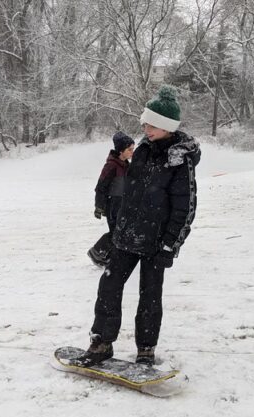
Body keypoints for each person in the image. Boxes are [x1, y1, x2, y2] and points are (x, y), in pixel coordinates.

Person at [73, 85, 201, 367]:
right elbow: (130, 194)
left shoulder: (179, 160)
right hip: (126, 237)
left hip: (156, 243)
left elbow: (185, 208)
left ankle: (146, 349)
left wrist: (170, 245)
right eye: (146, 121)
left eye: (153, 123)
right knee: (108, 285)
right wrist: (118, 227)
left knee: (150, 296)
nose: (146, 127)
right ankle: (101, 342)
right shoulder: (141, 150)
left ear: (168, 126)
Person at [87, 131, 135, 267]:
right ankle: (96, 253)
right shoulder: (111, 165)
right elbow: (101, 186)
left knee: (121, 231)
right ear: (121, 150)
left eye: (133, 149)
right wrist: (99, 206)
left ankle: (107, 256)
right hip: (113, 204)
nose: (132, 152)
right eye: (129, 149)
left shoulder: (126, 165)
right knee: (116, 232)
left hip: (123, 204)